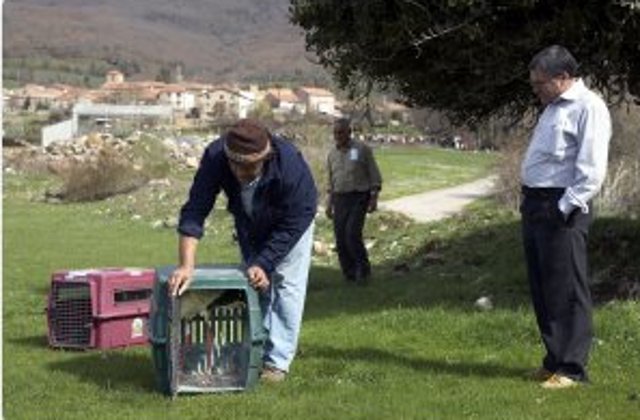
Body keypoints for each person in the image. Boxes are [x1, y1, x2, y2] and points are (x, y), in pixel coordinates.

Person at [168, 118, 317, 383]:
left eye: (249, 167)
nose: (239, 172)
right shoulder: (215, 156)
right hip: (250, 221)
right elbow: (195, 208)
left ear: (266, 157)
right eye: (235, 165)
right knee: (255, 285)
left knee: (286, 287)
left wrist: (266, 261)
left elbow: (300, 216)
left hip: (290, 224)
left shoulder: (290, 165)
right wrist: (186, 264)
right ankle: (253, 352)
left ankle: (277, 362)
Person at [520, 45, 611, 389]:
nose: (536, 89)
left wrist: (562, 208)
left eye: (540, 83)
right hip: (534, 203)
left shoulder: (589, 107)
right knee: (543, 286)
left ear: (562, 78)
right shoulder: (552, 108)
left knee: (567, 288)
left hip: (562, 207)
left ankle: (572, 368)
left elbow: (591, 171)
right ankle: (554, 360)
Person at [326, 118, 382, 285]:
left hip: (359, 196)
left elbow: (374, 175)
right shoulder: (332, 154)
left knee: (352, 234)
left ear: (349, 132)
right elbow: (331, 181)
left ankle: (363, 271)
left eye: (341, 132)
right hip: (339, 198)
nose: (338, 136)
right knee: (340, 238)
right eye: (335, 132)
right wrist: (329, 204)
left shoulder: (362, 149)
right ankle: (349, 274)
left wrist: (374, 197)